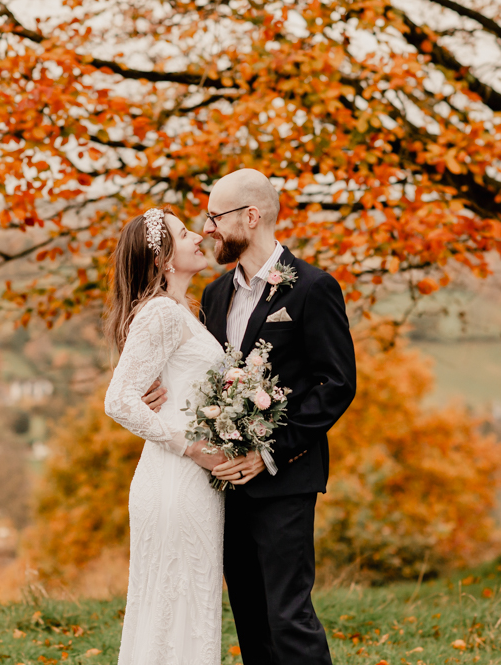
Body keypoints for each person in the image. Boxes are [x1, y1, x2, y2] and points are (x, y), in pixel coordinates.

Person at [142, 168, 357, 664]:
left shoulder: (313, 288)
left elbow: (336, 385)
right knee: (251, 618)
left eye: (215, 216)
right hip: (223, 484)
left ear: (251, 216)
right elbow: (205, 376)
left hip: (285, 479)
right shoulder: (215, 295)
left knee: (287, 616)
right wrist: (158, 392)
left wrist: (268, 452)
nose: (208, 228)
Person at [103, 206, 235, 665]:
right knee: (175, 607)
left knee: (188, 606)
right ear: (162, 259)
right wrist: (191, 446)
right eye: (184, 234)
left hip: (190, 480)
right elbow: (119, 400)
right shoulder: (161, 312)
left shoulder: (182, 311)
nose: (199, 236)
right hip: (176, 479)